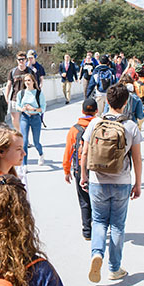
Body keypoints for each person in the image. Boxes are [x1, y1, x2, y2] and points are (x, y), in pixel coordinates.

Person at [80, 83, 143, 282]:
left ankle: (96, 254)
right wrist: (138, 184)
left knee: (98, 221)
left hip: (97, 181)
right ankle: (114, 268)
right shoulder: (131, 126)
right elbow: (137, 159)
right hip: (122, 181)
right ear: (126, 103)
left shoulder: (95, 124)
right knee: (117, 225)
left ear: (107, 101)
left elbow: (84, 153)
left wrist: (84, 175)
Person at [63, 97, 97, 240]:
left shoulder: (74, 129)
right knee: (97, 199)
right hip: (97, 168)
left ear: (82, 111)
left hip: (79, 168)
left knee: (84, 200)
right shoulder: (98, 126)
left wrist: (66, 170)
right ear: (96, 111)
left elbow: (68, 152)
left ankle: (87, 231)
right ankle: (98, 226)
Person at [16, 72, 46, 168]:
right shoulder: (21, 93)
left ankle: (41, 154)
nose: (27, 82)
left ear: (33, 81)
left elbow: (43, 108)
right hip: (25, 118)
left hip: (35, 118)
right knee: (24, 141)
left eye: (29, 80)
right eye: (25, 81)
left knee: (36, 142)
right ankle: (24, 165)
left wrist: (33, 109)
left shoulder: (38, 93)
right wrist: (22, 109)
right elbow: (17, 105)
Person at [5, 52, 38, 133]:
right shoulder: (12, 72)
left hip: (27, 99)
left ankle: (25, 137)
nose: (21, 61)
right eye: (19, 59)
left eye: (23, 59)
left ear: (25, 60)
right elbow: (8, 85)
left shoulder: (30, 71)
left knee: (27, 119)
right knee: (14, 119)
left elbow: (35, 84)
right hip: (15, 98)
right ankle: (20, 134)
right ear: (17, 60)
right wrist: (6, 97)